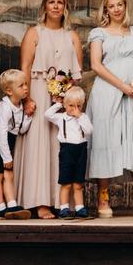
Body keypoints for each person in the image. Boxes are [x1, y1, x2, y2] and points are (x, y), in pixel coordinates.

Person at [86, 0, 133, 217]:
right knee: (107, 137)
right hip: (108, 91)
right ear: (105, 9)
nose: (117, 9)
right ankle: (103, 197)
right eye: (112, 5)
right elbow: (96, 65)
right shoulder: (99, 33)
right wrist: (122, 86)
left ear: (125, 7)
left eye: (120, 4)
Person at [15, 0, 83, 218]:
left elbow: (76, 74)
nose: (55, 6)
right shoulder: (34, 33)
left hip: (64, 100)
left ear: (65, 8)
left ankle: (61, 201)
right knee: (40, 145)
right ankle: (40, 201)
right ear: (44, 5)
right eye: (51, 2)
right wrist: (27, 98)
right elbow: (24, 67)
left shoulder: (72, 36)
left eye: (60, 2)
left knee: (62, 147)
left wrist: (67, 96)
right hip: (39, 94)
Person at [0, 69, 33, 219]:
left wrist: (29, 116)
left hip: (8, 141)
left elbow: (20, 129)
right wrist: (7, 158)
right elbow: (1, 133)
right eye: (21, 86)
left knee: (9, 175)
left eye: (26, 84)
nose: (26, 88)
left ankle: (12, 205)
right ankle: (0, 207)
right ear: (9, 91)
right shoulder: (4, 107)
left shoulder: (19, 107)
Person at [45, 86, 93, 219]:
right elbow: (47, 115)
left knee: (78, 183)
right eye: (71, 105)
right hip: (66, 150)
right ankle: (64, 208)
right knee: (66, 183)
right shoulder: (61, 118)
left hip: (81, 150)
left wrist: (80, 117)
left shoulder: (83, 117)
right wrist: (58, 103)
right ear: (65, 105)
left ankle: (79, 208)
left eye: (78, 106)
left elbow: (89, 130)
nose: (74, 109)